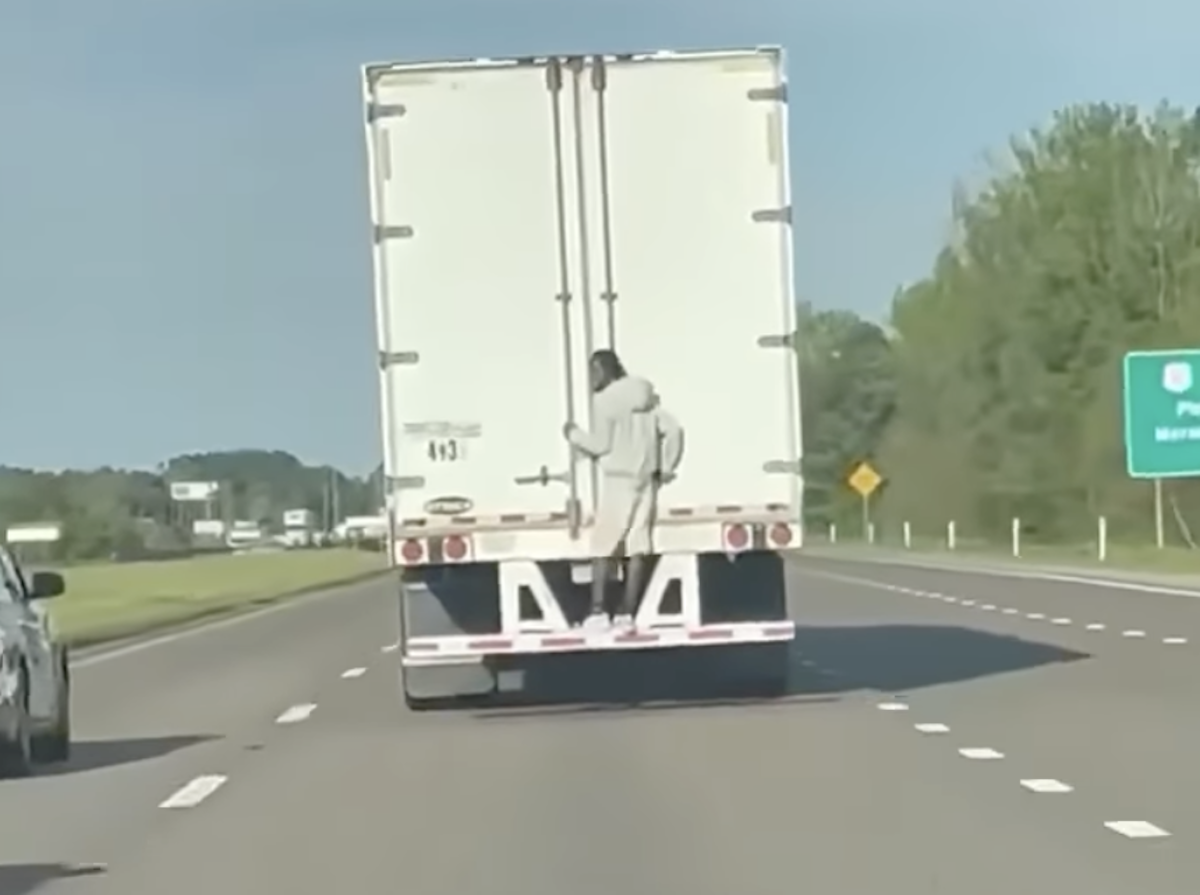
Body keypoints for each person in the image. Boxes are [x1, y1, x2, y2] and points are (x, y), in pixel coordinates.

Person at [563, 349, 684, 629]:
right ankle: (627, 612)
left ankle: (597, 611)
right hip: (645, 481)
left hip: (618, 479)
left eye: (594, 371)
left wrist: (573, 435)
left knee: (603, 544)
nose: (591, 378)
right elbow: (674, 430)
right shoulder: (646, 398)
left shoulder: (605, 401)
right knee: (638, 545)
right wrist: (665, 466)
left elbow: (602, 445)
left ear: (605, 370)